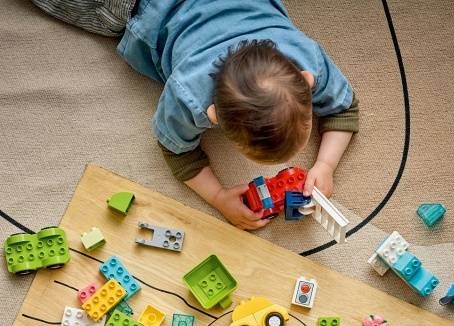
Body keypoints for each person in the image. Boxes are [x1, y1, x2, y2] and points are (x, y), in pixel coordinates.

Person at [32, 0, 359, 230]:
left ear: (306, 80)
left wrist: (325, 165)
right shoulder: (188, 97)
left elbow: (345, 109)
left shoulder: (305, 56)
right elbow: (176, 150)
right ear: (211, 115)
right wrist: (217, 197)